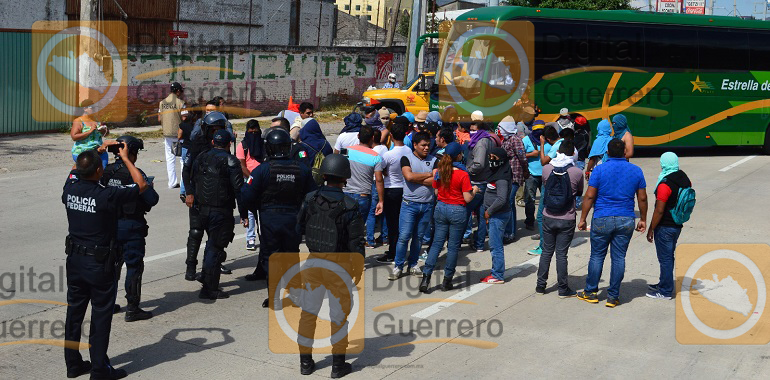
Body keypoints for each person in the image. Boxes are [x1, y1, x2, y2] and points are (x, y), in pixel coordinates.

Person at [63, 146, 149, 380]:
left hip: (75, 262)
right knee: (101, 317)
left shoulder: (70, 188)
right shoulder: (106, 194)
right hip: (99, 265)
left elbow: (76, 168)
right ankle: (100, 369)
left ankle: (73, 365)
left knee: (74, 314)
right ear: (99, 170)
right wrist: (124, 158)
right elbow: (141, 185)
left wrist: (90, 151)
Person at [296, 154, 364, 378]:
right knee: (338, 316)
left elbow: (299, 228)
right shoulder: (350, 206)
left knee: (308, 314)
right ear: (345, 177)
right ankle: (338, 366)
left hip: (314, 263)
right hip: (339, 267)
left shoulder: (310, 198)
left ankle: (305, 363)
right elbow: (356, 243)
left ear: (324, 175)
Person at [241, 129, 316, 308]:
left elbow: (246, 195)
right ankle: (296, 294)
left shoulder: (261, 170)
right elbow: (312, 195)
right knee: (291, 255)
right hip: (293, 220)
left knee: (271, 257)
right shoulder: (302, 169)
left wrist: (254, 207)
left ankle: (274, 297)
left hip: (270, 219)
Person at [577, 139, 647, 308]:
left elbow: (589, 196)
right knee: (619, 257)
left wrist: (583, 218)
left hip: (602, 217)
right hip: (626, 219)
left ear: (607, 153)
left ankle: (591, 292)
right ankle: (613, 297)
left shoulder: (600, 170)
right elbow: (642, 197)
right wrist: (643, 219)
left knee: (597, 255)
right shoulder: (636, 171)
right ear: (624, 152)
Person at [100, 135, 159, 322]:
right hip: (131, 227)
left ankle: (107, 305)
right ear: (130, 153)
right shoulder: (136, 173)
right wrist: (148, 185)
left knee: (110, 268)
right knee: (134, 267)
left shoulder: (105, 171)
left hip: (109, 227)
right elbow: (152, 199)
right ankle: (133, 308)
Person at [187, 129, 244, 300]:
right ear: (229, 144)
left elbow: (191, 178)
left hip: (201, 209)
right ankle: (209, 288)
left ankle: (205, 275)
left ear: (213, 142)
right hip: (220, 210)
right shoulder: (231, 161)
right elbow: (238, 189)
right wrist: (244, 213)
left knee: (210, 244)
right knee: (215, 247)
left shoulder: (201, 157)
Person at [419, 142, 478, 292]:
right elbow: (467, 198)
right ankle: (447, 281)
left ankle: (426, 278)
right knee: (452, 247)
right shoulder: (463, 174)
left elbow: (437, 193)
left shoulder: (440, 171)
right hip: (457, 210)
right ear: (458, 156)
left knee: (437, 244)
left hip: (441, 208)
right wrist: (475, 190)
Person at [182, 111, 233, 281]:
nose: (215, 133)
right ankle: (190, 267)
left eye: (219, 129)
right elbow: (186, 169)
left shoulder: (223, 143)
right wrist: (188, 192)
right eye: (213, 129)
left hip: (217, 199)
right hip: (197, 195)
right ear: (205, 129)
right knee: (196, 232)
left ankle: (213, 265)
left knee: (216, 235)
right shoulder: (197, 144)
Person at [536, 140, 583, 298]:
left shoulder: (546, 168)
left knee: (546, 252)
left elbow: (545, 185)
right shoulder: (576, 172)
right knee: (561, 254)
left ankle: (540, 286)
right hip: (567, 218)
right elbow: (579, 192)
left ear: (558, 152)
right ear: (573, 154)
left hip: (548, 215)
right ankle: (563, 289)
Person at [390, 132, 436, 280]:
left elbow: (435, 181)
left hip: (427, 205)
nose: (426, 148)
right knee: (404, 237)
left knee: (418, 238)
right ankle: (398, 266)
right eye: (423, 145)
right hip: (409, 205)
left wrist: (416, 178)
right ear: (415, 145)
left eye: (428, 145)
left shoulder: (435, 160)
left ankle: (413, 265)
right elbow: (408, 176)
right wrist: (427, 175)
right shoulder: (406, 158)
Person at [646, 152, 691, 300]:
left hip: (665, 226)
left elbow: (659, 210)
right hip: (677, 225)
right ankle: (663, 282)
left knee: (665, 259)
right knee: (668, 257)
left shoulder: (665, 183)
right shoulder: (683, 177)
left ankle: (665, 291)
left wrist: (651, 228)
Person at [377, 119, 411, 263]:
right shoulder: (409, 151)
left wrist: (381, 199)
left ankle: (393, 252)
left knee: (391, 224)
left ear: (391, 135)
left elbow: (380, 173)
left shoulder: (388, 155)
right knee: (401, 222)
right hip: (404, 189)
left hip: (390, 190)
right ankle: (399, 249)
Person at [480, 147, 513, 284]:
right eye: (490, 157)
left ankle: (498, 275)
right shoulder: (496, 172)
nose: (491, 160)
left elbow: (501, 199)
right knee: (494, 244)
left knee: (495, 246)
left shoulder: (502, 178)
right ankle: (496, 272)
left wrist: (489, 212)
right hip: (494, 215)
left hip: (497, 216)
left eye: (494, 157)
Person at [464, 120, 498, 252]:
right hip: (486, 180)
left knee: (465, 210)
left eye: (474, 130)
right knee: (482, 215)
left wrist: (467, 171)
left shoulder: (481, 143)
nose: (472, 132)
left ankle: (468, 240)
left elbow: (479, 164)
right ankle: (479, 244)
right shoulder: (488, 139)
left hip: (478, 182)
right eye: (470, 130)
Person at [342, 125, 385, 224]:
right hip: (363, 196)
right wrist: (381, 201)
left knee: (344, 226)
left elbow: (340, 170)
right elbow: (379, 180)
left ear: (358, 136)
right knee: (358, 228)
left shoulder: (345, 151)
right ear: (372, 138)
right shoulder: (375, 157)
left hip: (345, 193)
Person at [237, 120, 264, 251]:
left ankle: (264, 237)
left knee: (264, 210)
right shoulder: (242, 145)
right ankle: (251, 238)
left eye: (255, 130)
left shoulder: (264, 144)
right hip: (249, 181)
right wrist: (253, 179)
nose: (253, 133)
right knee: (251, 212)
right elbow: (242, 166)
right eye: (250, 131)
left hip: (264, 181)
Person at [499, 116, 527, 244]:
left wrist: (525, 171)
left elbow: (522, 157)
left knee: (509, 202)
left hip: (515, 175)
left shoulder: (515, 140)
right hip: (506, 176)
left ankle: (510, 233)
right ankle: (509, 230)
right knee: (508, 203)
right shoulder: (506, 139)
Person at [159, 82, 186, 189]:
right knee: (182, 159)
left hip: (167, 133)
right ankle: (183, 182)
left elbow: (159, 118)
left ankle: (172, 183)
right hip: (179, 133)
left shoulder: (162, 102)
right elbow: (184, 118)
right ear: (178, 91)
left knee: (170, 158)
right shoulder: (180, 102)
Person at [70, 99, 111, 169]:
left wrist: (104, 130)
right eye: (92, 107)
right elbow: (74, 137)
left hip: (99, 150)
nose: (95, 109)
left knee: (103, 171)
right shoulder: (79, 121)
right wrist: (89, 131)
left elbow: (105, 134)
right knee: (89, 174)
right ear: (85, 109)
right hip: (84, 153)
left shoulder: (97, 119)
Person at [291, 119, 333, 183]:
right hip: (322, 179)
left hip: (307, 181)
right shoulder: (326, 144)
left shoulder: (302, 147)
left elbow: (300, 162)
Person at [367, 128, 389, 248]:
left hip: (375, 183)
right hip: (385, 183)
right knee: (384, 211)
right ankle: (384, 237)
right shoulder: (384, 148)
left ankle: (370, 240)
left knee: (371, 212)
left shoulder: (373, 152)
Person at [523, 122, 545, 232]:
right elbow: (520, 155)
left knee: (545, 199)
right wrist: (531, 154)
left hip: (545, 175)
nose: (539, 133)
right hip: (531, 175)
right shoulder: (526, 140)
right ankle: (530, 221)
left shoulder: (547, 139)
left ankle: (544, 220)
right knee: (530, 200)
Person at [177, 104, 200, 202]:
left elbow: (179, 136)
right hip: (195, 149)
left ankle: (183, 191)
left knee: (185, 169)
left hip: (185, 149)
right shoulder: (198, 125)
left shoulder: (184, 124)